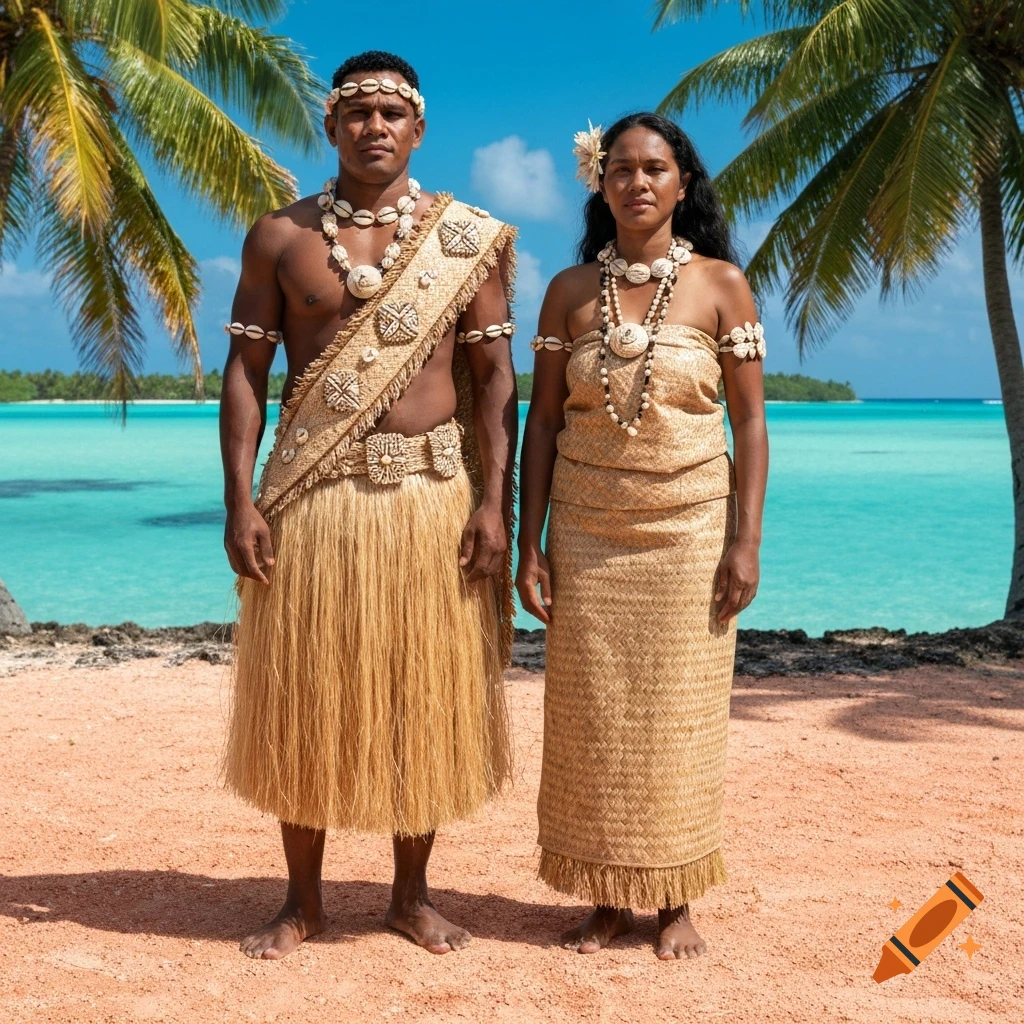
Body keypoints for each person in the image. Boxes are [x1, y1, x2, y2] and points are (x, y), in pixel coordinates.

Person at [219, 50, 519, 959]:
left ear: (418, 129)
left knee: (419, 696)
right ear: (331, 127)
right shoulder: (279, 236)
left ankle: (410, 896)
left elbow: (497, 377)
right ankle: (302, 901)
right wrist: (240, 501)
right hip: (312, 501)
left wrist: (494, 503)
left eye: (393, 113)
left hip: (430, 495)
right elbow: (245, 373)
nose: (375, 127)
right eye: (358, 113)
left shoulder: (468, 237)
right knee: (306, 694)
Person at [516, 113, 768, 960]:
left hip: (692, 531)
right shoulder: (567, 291)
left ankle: (675, 902)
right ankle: (606, 898)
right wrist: (531, 543)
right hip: (587, 530)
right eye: (620, 169)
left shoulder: (724, 285)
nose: (637, 183)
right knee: (594, 717)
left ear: (682, 183)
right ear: (600, 182)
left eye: (655, 168)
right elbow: (543, 419)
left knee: (680, 717)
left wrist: (746, 541)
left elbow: (752, 424)